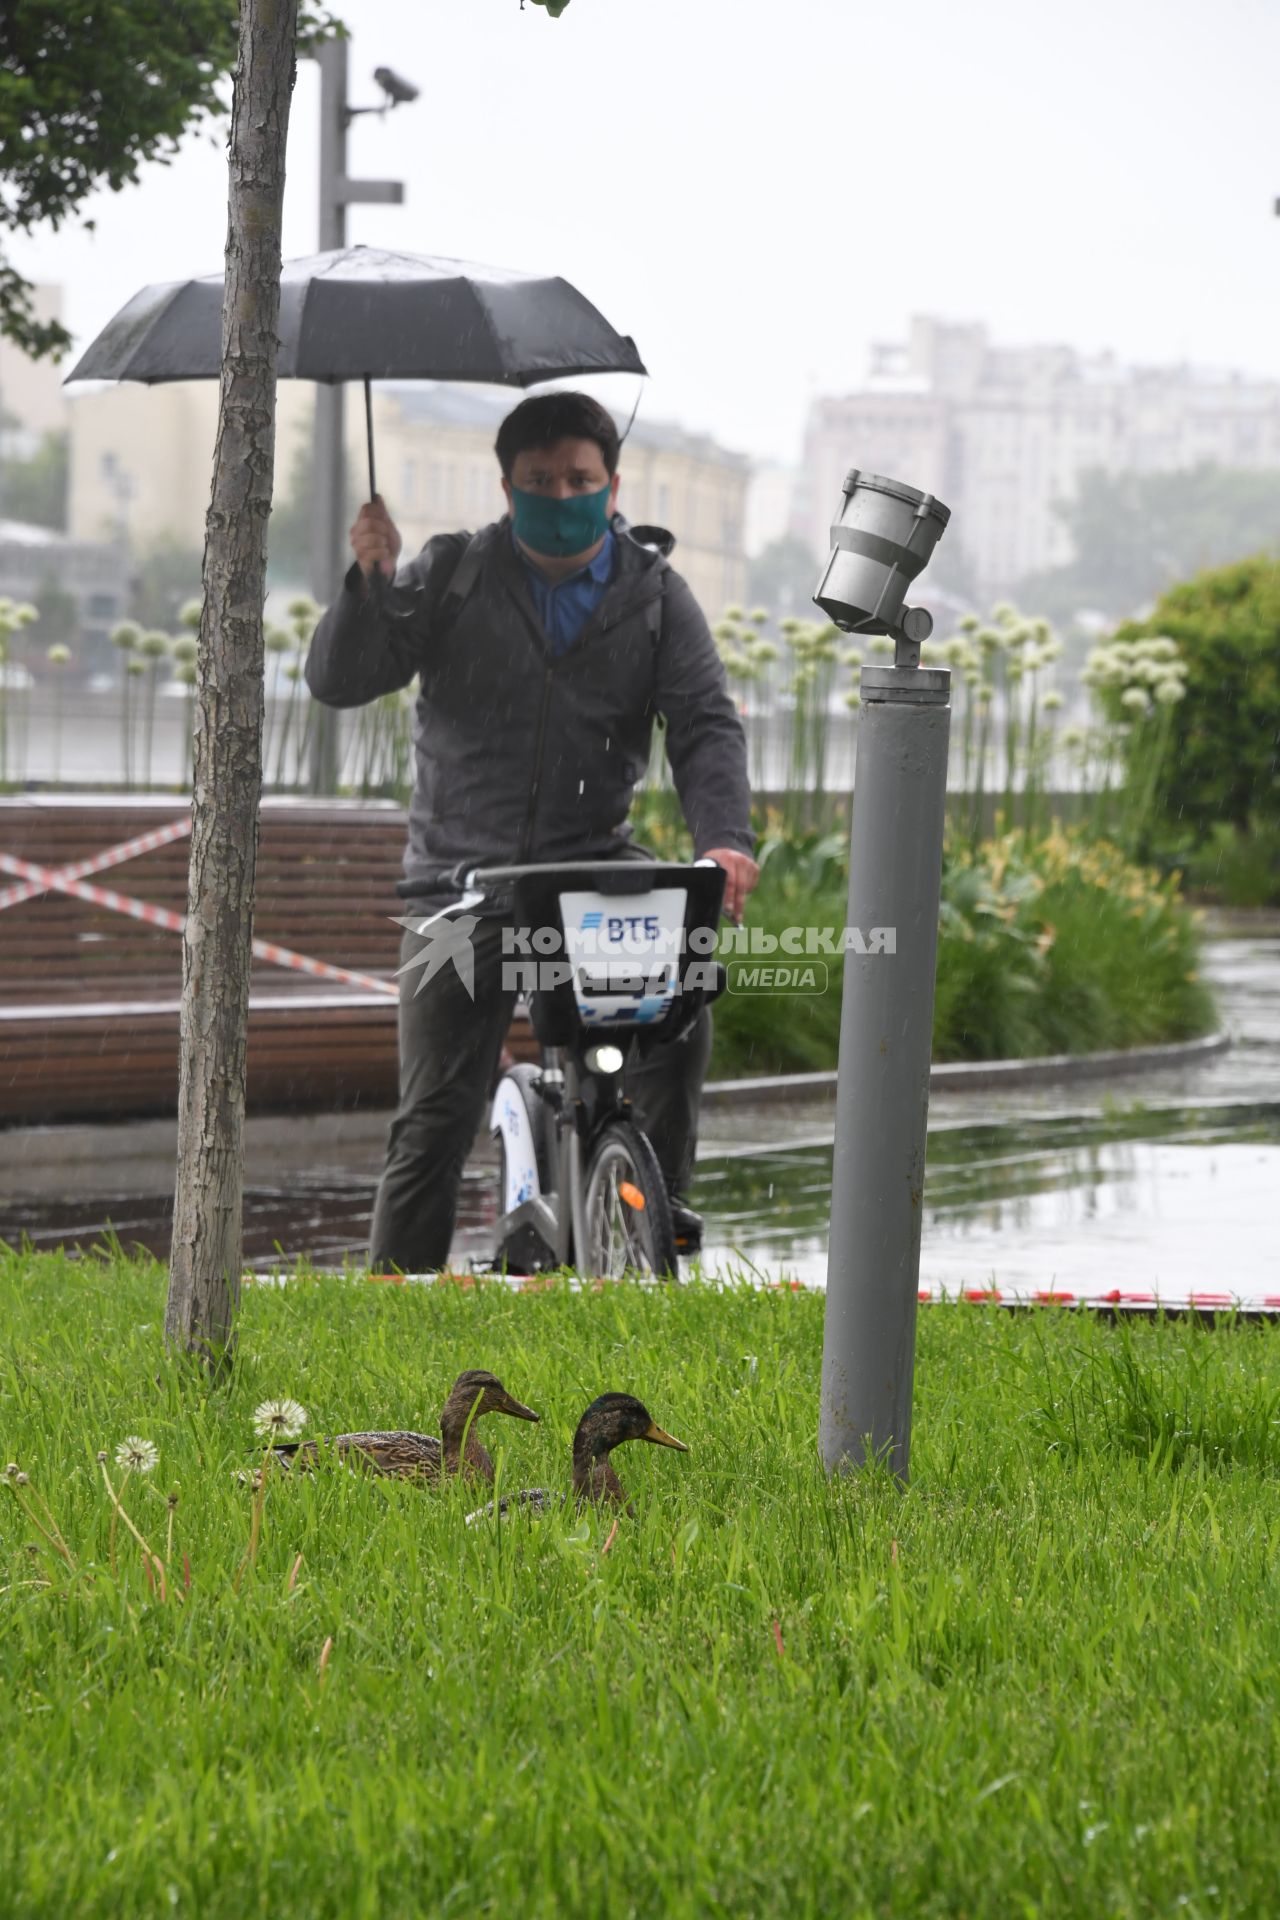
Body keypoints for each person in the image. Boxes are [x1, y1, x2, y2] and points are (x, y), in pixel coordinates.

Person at [305, 390, 758, 1272]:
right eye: (540, 480)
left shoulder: (657, 596)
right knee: (436, 1114)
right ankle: (397, 1303)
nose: (562, 495)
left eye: (580, 479)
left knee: (680, 1020)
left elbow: (705, 724)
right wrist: (369, 585)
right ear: (507, 487)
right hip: (461, 882)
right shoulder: (453, 572)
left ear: (613, 485)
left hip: (592, 870)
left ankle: (651, 1227)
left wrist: (725, 839)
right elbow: (341, 680)